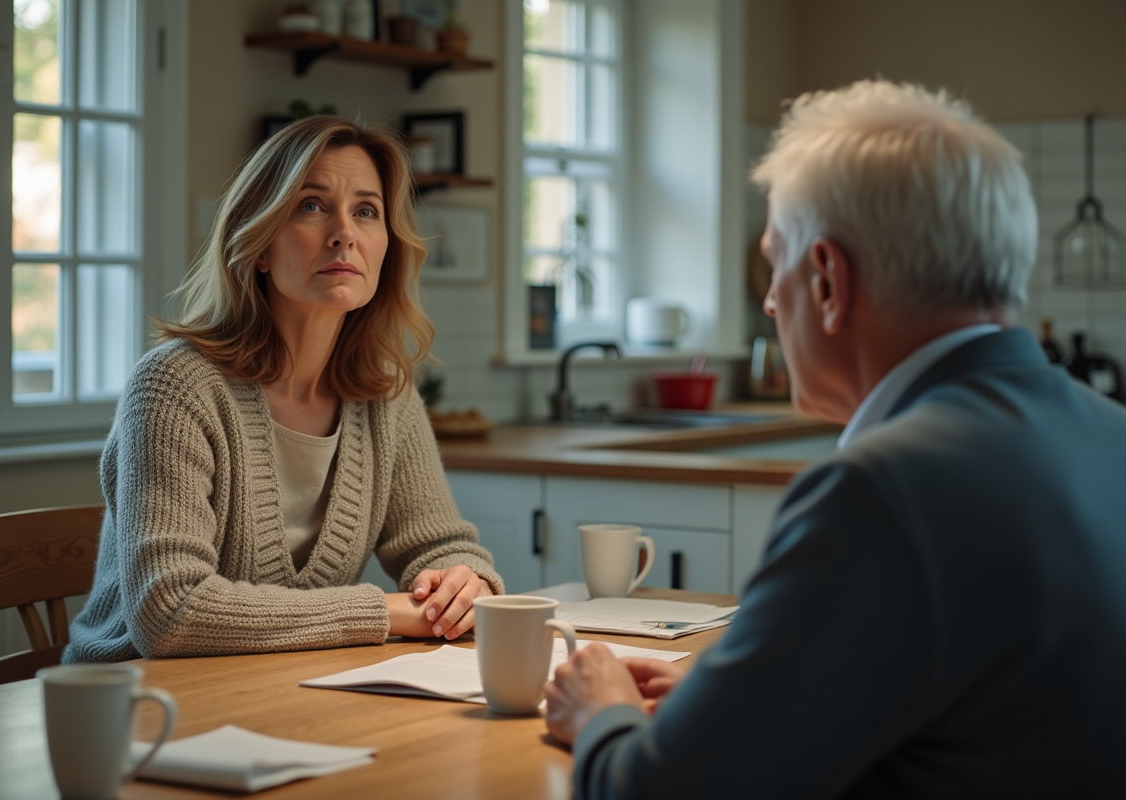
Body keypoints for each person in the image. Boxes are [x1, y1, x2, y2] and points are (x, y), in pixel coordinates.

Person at [544, 80, 1126, 798]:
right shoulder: (1111, 436)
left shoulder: (880, 491)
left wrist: (601, 714)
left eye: (772, 266)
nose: (767, 299)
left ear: (826, 281)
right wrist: (751, 686)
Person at [66, 115, 503, 663]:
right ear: (261, 245)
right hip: (138, 707)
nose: (344, 231)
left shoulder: (385, 397)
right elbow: (171, 611)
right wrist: (386, 612)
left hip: (290, 690)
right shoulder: (173, 388)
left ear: (385, 248)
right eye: (312, 205)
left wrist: (467, 584)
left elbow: (441, 545)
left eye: (366, 211)